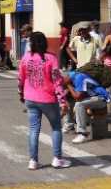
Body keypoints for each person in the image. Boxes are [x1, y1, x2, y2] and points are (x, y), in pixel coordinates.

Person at [18, 31, 71, 170]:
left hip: (30, 98)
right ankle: (57, 159)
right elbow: (57, 81)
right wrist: (63, 101)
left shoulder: (25, 57)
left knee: (34, 130)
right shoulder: (51, 58)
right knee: (56, 128)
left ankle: (33, 161)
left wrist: (21, 95)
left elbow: (21, 79)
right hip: (48, 99)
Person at [63, 71, 110, 144]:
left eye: (62, 82)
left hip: (101, 98)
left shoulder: (78, 78)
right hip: (92, 98)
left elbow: (78, 97)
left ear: (66, 77)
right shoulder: (72, 78)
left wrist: (68, 85)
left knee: (79, 105)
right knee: (70, 100)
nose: (63, 85)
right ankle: (69, 125)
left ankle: (82, 133)